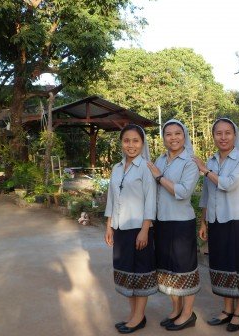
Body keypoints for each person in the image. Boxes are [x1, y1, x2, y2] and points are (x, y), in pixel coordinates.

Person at [193, 117, 239, 333]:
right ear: (214, 136)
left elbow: (227, 184)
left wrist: (204, 170)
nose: (223, 137)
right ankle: (227, 309)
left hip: (235, 221)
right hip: (216, 221)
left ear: (234, 135)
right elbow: (207, 194)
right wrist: (203, 221)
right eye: (219, 133)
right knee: (221, 265)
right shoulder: (211, 160)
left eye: (228, 133)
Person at [146, 119, 200, 331]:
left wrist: (159, 177)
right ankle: (176, 309)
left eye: (178, 133)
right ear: (163, 138)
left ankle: (188, 314)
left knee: (184, 268)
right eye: (168, 134)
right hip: (162, 222)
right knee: (168, 269)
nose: (173, 137)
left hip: (181, 223)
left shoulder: (190, 162)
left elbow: (183, 192)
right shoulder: (160, 160)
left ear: (184, 136)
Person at [104, 124, 157, 334]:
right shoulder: (117, 168)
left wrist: (145, 230)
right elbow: (111, 198)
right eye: (126, 140)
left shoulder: (146, 167)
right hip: (120, 229)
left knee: (141, 273)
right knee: (127, 272)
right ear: (121, 143)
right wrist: (109, 226)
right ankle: (134, 314)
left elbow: (150, 200)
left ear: (142, 143)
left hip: (139, 230)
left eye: (135, 141)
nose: (131, 145)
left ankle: (138, 317)